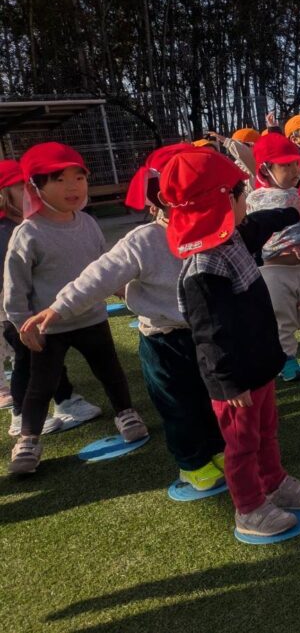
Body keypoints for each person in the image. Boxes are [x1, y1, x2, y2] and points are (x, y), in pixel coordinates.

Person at [20, 144, 226, 491]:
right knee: (178, 405)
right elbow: (98, 276)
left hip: (204, 335)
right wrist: (58, 308)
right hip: (164, 340)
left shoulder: (211, 231)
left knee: (209, 398)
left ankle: (216, 449)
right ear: (162, 197)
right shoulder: (144, 239)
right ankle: (192, 463)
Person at [165, 148, 300, 537]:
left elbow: (258, 224)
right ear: (220, 201)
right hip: (235, 382)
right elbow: (209, 335)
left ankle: (275, 483)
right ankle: (249, 508)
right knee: (241, 443)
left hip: (258, 364)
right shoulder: (203, 269)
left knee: (266, 431)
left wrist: (290, 214)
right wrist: (228, 382)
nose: (245, 199)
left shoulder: (231, 237)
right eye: (239, 193)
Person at [5, 142, 148, 474]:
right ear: (36, 187)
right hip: (49, 327)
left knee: (111, 372)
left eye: (79, 178)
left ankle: (125, 412)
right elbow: (15, 286)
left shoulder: (88, 223)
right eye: (59, 180)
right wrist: (22, 323)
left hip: (92, 317)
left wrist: (128, 294)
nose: (73, 187)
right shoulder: (28, 233)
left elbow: (105, 268)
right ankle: (28, 439)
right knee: (41, 385)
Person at [0, 159, 96, 437]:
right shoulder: (7, 231)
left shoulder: (36, 223)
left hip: (43, 309)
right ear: (5, 195)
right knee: (27, 361)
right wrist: (18, 314)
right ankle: (21, 415)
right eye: (22, 188)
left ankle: (66, 400)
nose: (31, 193)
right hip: (16, 313)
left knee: (49, 358)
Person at [246, 133, 300, 380]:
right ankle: (287, 361)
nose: (294, 170)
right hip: (275, 269)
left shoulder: (297, 192)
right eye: (286, 166)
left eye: (295, 164)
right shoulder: (257, 197)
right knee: (283, 319)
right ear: (265, 169)